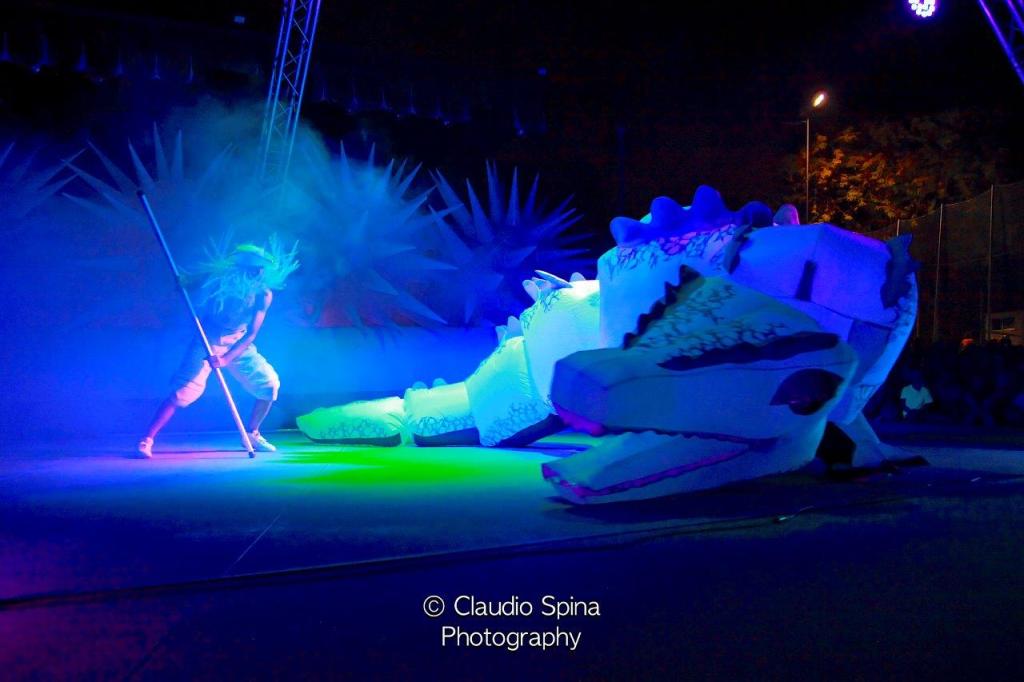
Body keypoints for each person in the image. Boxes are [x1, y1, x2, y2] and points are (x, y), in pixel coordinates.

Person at [137, 241, 297, 458]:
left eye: (261, 269)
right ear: (241, 269)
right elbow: (187, 283)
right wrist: (183, 284)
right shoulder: (217, 282)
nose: (259, 273)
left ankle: (251, 434)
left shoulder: (264, 294)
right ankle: (147, 439)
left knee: (269, 384)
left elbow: (251, 333)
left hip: (238, 341)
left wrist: (226, 358)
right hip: (207, 339)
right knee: (183, 392)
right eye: (254, 269)